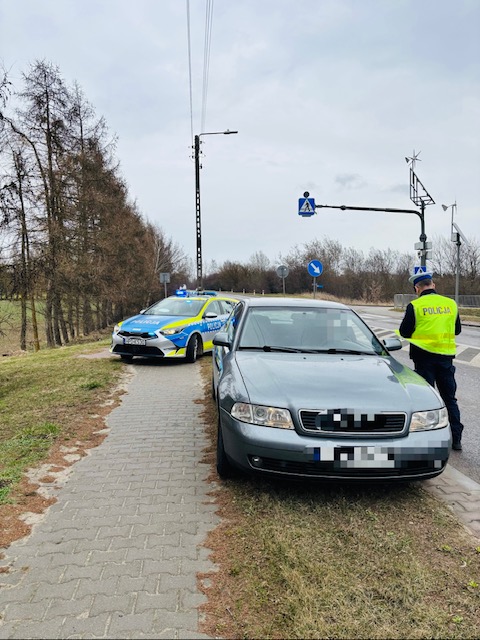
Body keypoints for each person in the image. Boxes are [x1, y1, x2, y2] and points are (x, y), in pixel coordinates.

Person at [399, 271, 464, 451]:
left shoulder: (415, 305)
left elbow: (404, 332)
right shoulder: (451, 304)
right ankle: (456, 438)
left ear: (417, 288)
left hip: (424, 359)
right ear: (433, 285)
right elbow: (456, 330)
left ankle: (428, 440)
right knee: (449, 398)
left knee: (426, 400)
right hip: (445, 359)